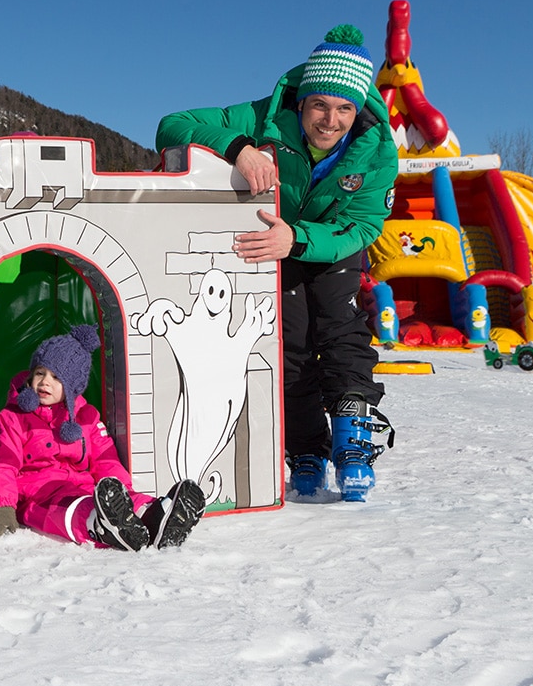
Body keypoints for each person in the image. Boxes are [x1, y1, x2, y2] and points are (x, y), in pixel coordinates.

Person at [154, 25, 398, 502]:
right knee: (288, 341)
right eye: (320, 105)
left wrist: (300, 238)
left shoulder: (377, 150)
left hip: (329, 241)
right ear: (302, 101)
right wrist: (237, 147)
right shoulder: (264, 117)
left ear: (359, 108)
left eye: (344, 107)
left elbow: (366, 225)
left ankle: (351, 434)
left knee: (340, 322)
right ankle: (307, 448)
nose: (330, 120)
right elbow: (172, 124)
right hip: (272, 245)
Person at [0, 325, 206, 550]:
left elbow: (105, 458)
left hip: (84, 485)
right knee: (70, 508)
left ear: (72, 387)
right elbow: (2, 463)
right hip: (39, 493)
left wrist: (123, 492)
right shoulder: (14, 417)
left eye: (56, 377)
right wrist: (4, 505)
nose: (45, 382)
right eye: (40, 373)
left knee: (110, 499)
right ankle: (97, 525)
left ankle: (155, 515)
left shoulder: (86, 416)